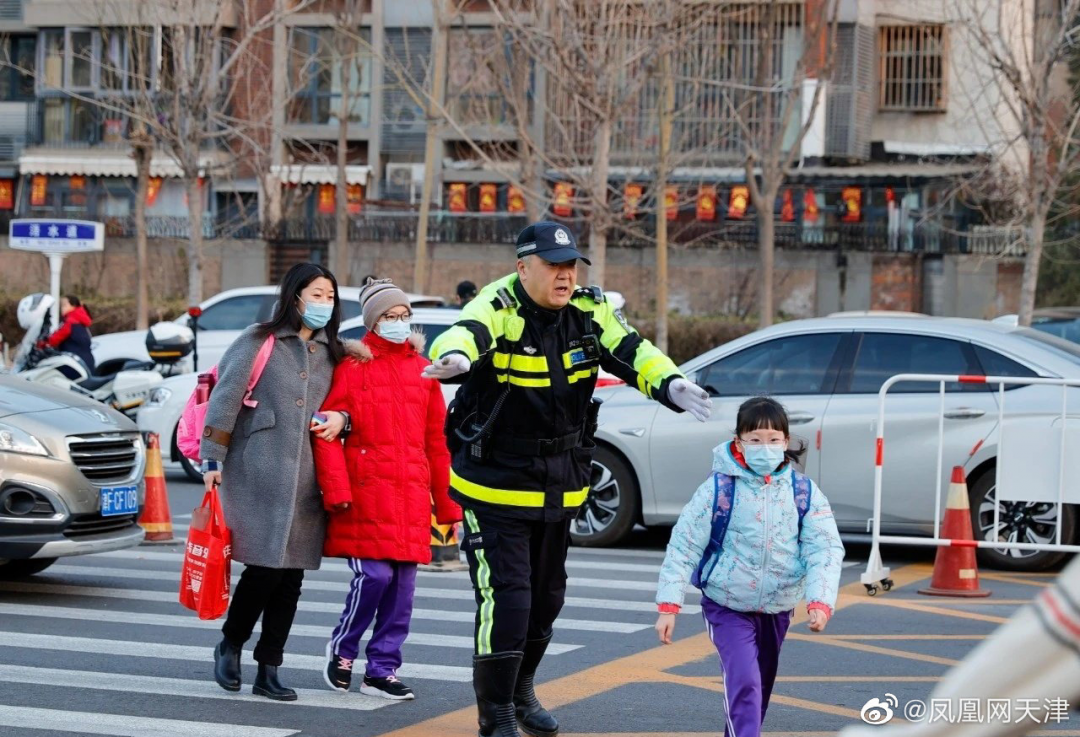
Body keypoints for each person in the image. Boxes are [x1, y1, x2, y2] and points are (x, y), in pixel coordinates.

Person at [423, 221, 713, 737]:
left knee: (547, 596)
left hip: (560, 482)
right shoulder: (501, 306)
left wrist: (671, 383)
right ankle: (497, 716)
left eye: (570, 265)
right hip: (494, 483)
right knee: (508, 597)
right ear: (523, 268)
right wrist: (456, 358)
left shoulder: (588, 308)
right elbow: (467, 330)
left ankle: (521, 689)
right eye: (554, 265)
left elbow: (632, 350)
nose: (565, 275)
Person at [200, 262, 349, 702]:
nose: (324, 303)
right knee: (264, 569)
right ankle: (231, 643)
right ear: (295, 296)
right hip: (257, 468)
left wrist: (343, 418)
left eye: (330, 296)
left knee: (291, 579)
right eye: (316, 294)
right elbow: (226, 397)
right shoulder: (259, 340)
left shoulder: (333, 352)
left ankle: (270, 667)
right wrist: (213, 457)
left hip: (308, 480)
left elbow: (347, 404)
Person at [655, 396, 845, 737]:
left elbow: (824, 548)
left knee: (760, 689)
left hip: (778, 607)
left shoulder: (803, 491)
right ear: (738, 441)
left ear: (786, 442)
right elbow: (684, 544)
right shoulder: (718, 487)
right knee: (744, 681)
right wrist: (668, 605)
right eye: (755, 439)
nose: (765, 447)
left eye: (773, 440)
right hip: (727, 605)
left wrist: (820, 602)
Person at [314, 278, 461, 700]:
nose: (398, 323)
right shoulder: (353, 365)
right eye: (389, 317)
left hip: (412, 494)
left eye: (403, 316)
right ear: (372, 321)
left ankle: (382, 669)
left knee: (403, 590)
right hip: (366, 492)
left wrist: (447, 506)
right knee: (374, 577)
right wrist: (337, 491)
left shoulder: (424, 369)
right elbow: (326, 429)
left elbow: (437, 442)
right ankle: (343, 649)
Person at [42, 295, 95, 373]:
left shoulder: (70, 321)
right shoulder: (81, 320)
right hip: (87, 362)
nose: (62, 308)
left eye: (64, 305)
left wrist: (42, 343)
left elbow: (54, 339)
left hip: (74, 365)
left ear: (73, 306)